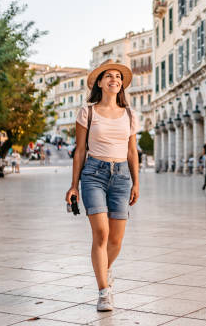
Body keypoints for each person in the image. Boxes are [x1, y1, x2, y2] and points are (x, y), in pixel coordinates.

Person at [65, 60, 140, 312]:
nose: (114, 80)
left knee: (116, 240)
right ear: (99, 82)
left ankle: (105, 269)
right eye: (109, 76)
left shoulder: (130, 114)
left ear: (121, 85)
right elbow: (79, 151)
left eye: (118, 77)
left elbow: (132, 151)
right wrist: (73, 185)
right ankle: (104, 292)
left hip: (120, 177)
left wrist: (136, 182)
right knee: (102, 234)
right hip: (93, 175)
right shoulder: (88, 112)